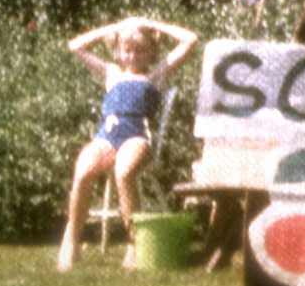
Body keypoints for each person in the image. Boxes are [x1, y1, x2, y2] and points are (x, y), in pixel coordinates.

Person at [56, 16, 199, 271]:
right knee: (83, 171)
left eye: (140, 51)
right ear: (120, 50)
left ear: (151, 51)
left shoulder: (156, 74)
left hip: (137, 137)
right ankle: (71, 239)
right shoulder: (112, 73)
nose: (133, 56)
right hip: (106, 136)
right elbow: (75, 46)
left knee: (124, 171)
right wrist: (115, 27)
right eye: (128, 50)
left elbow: (191, 40)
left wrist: (152, 24)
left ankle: (134, 243)